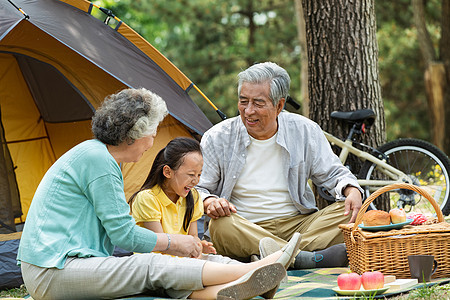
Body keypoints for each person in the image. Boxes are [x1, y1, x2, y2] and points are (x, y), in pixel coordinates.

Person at [16, 88, 299, 300]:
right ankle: (258, 269)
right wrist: (173, 242)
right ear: (136, 133)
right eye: (152, 133)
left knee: (171, 265)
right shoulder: (97, 160)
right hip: (52, 271)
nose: (152, 142)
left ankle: (238, 288)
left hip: (65, 265)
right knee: (150, 264)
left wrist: (178, 246)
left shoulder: (99, 156)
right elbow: (124, 236)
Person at [196, 62, 364, 269]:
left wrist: (351, 189)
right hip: (243, 226)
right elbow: (198, 188)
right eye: (243, 101)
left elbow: (334, 173)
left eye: (258, 103)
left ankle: (272, 256)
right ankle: (303, 258)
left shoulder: (304, 130)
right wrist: (210, 200)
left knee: (352, 211)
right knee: (220, 225)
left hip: (300, 225)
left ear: (279, 105)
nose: (248, 111)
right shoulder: (217, 137)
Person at [129, 137, 227, 262]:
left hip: (182, 259)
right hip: (154, 262)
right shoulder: (147, 198)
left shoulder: (193, 196)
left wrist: (198, 245)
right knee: (214, 269)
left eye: (199, 175)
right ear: (168, 172)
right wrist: (191, 250)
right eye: (191, 174)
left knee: (222, 262)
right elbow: (162, 245)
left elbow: (193, 236)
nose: (196, 181)